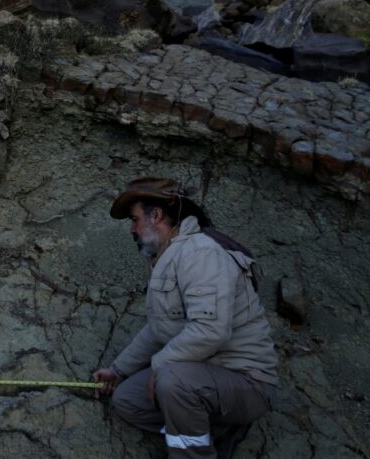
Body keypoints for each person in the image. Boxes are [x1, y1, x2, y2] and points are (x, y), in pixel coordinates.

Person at [92, 177, 278, 459]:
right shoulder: (168, 256)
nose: (132, 229)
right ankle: (214, 429)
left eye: (134, 219)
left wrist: (159, 366)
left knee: (172, 380)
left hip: (245, 381)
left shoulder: (199, 253)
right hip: (199, 375)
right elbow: (158, 330)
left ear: (156, 216)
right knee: (127, 400)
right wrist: (118, 371)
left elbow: (210, 332)